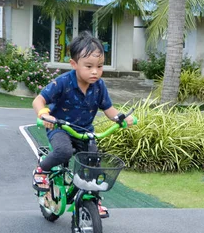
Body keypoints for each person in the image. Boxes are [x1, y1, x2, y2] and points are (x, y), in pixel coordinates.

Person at [31, 31, 134, 217]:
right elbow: (38, 100)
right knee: (64, 152)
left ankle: (94, 200)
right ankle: (42, 170)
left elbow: (109, 109)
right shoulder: (63, 82)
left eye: (100, 66)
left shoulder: (99, 86)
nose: (95, 71)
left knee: (93, 164)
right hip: (60, 129)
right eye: (89, 66)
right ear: (74, 64)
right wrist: (44, 114)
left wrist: (121, 118)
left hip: (85, 132)